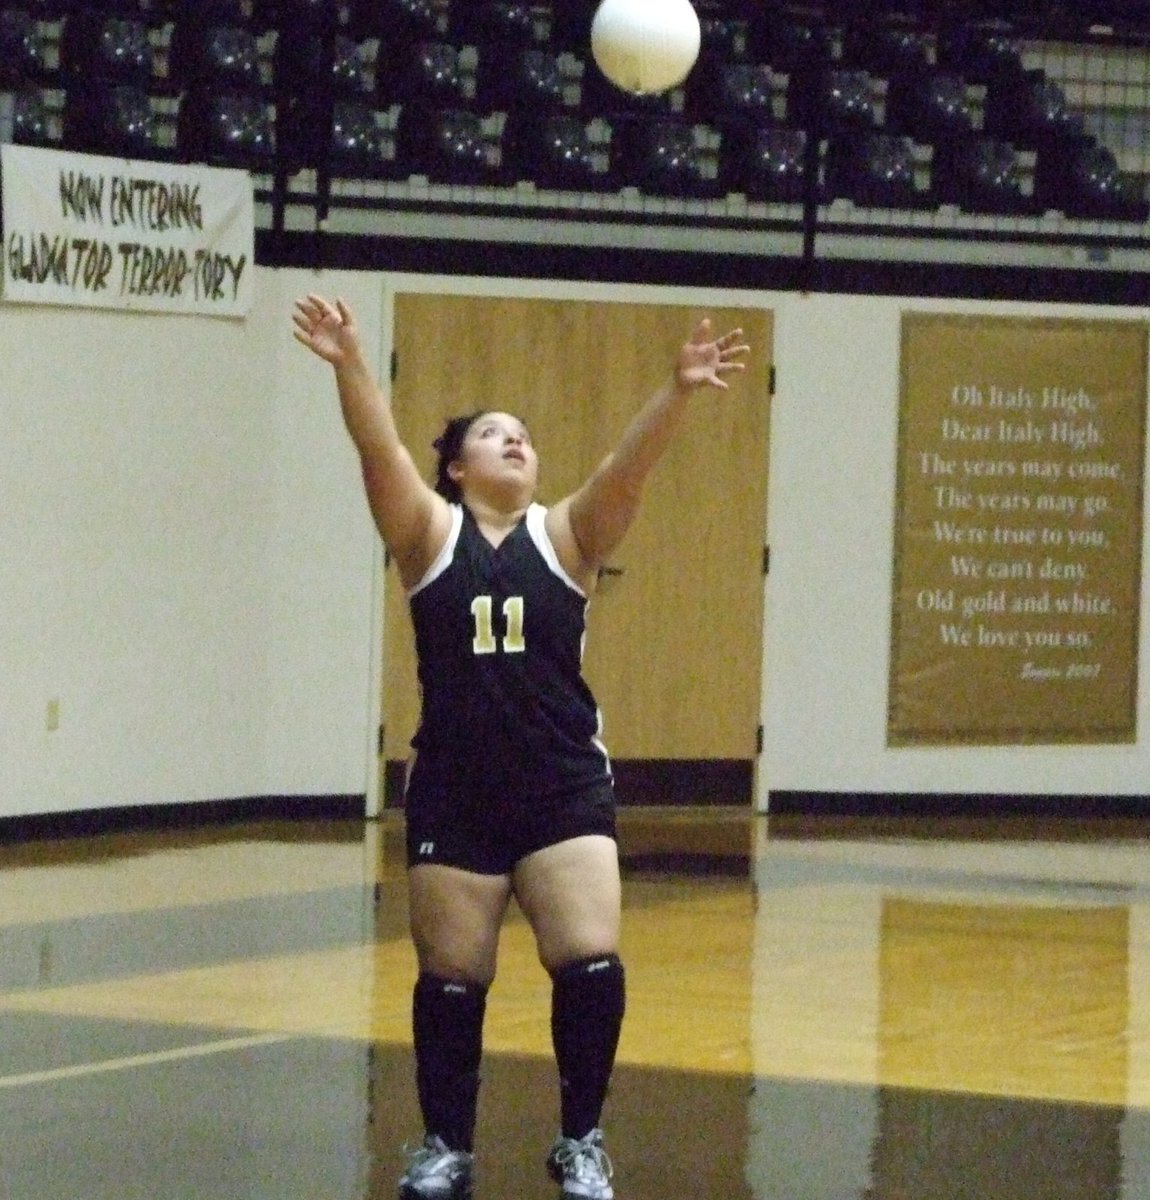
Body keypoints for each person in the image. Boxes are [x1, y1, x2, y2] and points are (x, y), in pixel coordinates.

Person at [292, 293, 750, 1200]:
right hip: (456, 789)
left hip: (560, 786)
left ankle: (581, 1139)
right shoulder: (427, 535)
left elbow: (629, 469)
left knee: (590, 962)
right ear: (456, 468)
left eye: (524, 436)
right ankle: (445, 1145)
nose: (515, 442)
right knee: (452, 979)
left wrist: (677, 392)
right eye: (493, 435)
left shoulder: (566, 535)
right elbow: (378, 451)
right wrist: (350, 364)